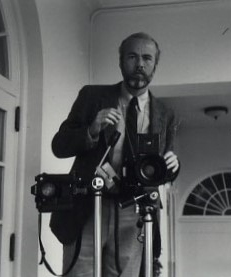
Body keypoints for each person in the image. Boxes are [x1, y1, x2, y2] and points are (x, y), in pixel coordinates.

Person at [50, 32, 180, 277]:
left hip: (135, 212)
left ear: (155, 64)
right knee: (79, 273)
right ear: (121, 61)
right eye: (132, 56)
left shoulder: (166, 113)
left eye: (147, 58)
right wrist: (91, 130)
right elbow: (59, 146)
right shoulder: (92, 96)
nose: (140, 64)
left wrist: (174, 165)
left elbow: (164, 167)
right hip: (89, 204)